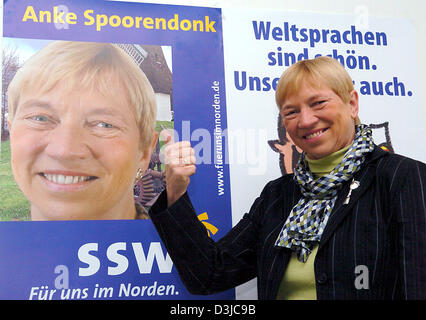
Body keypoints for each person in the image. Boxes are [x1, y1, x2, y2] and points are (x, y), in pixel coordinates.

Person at [149, 56, 426, 299]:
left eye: (318, 103)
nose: (305, 121)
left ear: (351, 103)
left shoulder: (402, 178)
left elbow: (416, 285)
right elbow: (209, 275)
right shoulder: (278, 195)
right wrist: (176, 191)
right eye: (291, 112)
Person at [7, 41, 158, 220]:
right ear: (11, 132)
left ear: (144, 152)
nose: (64, 151)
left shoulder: (184, 247)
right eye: (40, 118)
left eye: (104, 124)